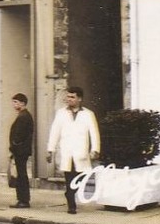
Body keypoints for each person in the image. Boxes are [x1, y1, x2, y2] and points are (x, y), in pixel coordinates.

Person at [46, 85, 100, 214]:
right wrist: (50, 150)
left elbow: (94, 133)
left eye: (72, 97)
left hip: (81, 152)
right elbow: (55, 132)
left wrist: (95, 149)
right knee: (69, 179)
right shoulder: (61, 113)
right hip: (67, 152)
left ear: (79, 99)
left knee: (81, 178)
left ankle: (69, 193)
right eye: (68, 96)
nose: (69, 99)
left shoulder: (87, 114)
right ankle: (71, 205)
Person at [8, 92, 34, 209]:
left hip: (20, 151)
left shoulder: (23, 117)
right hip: (22, 150)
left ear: (22, 103)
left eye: (16, 102)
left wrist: (13, 147)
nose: (14, 105)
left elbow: (18, 136)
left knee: (21, 175)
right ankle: (23, 199)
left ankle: (23, 200)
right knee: (21, 174)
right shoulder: (25, 115)